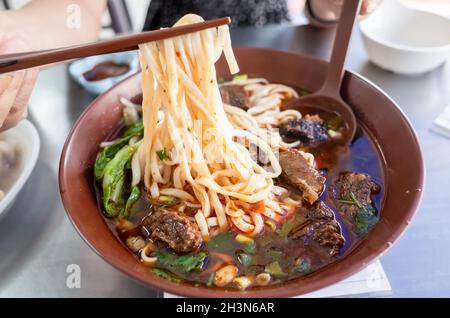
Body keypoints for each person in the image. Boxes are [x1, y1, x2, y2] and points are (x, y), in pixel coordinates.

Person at [0, 0, 378, 131]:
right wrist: (19, 37)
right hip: (163, 54)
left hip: (274, 34)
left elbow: (320, 10)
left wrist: (329, 8)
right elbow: (72, 10)